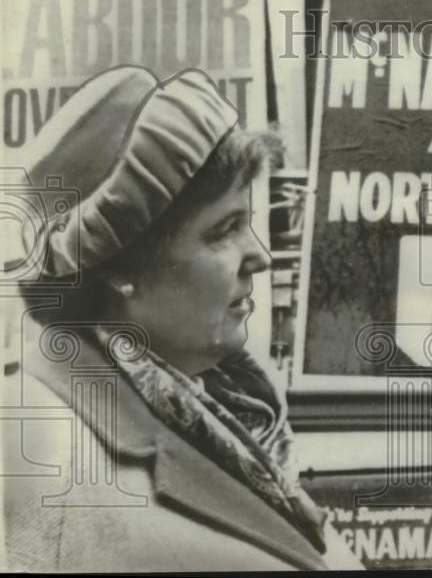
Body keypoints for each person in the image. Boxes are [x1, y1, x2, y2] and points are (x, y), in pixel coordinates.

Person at [3, 66, 360, 571]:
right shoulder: (72, 473)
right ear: (124, 268)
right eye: (224, 229)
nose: (261, 256)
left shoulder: (219, 398)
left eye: (247, 221)